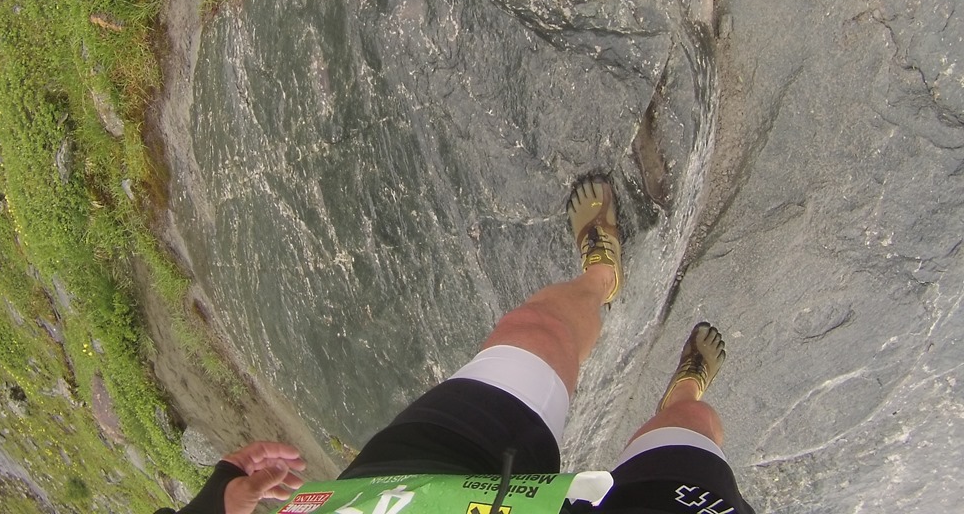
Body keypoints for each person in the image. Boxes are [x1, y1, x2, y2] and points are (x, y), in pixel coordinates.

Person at [158, 175, 755, 514]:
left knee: (535, 334)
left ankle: (601, 282)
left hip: (406, 495)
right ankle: (682, 399)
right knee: (695, 428)